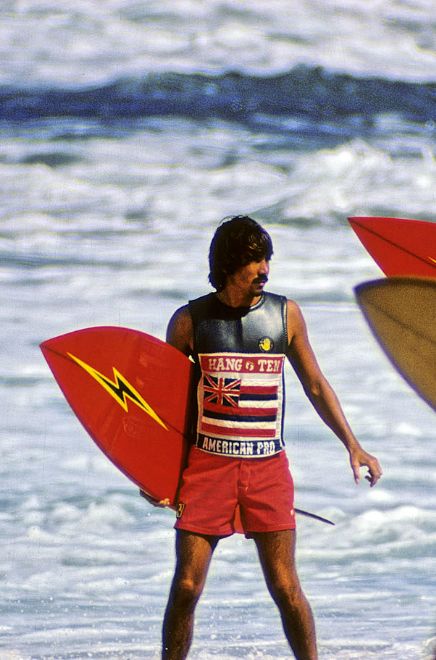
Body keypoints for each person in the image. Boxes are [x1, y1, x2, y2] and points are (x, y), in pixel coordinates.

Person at [147, 215, 382, 660]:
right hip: (207, 468)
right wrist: (155, 475)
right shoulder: (189, 322)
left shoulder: (284, 315)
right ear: (230, 265)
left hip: (267, 468)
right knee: (186, 586)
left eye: (267, 259)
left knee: (285, 587)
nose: (265, 270)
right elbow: (166, 407)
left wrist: (354, 445)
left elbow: (315, 385)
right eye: (255, 261)